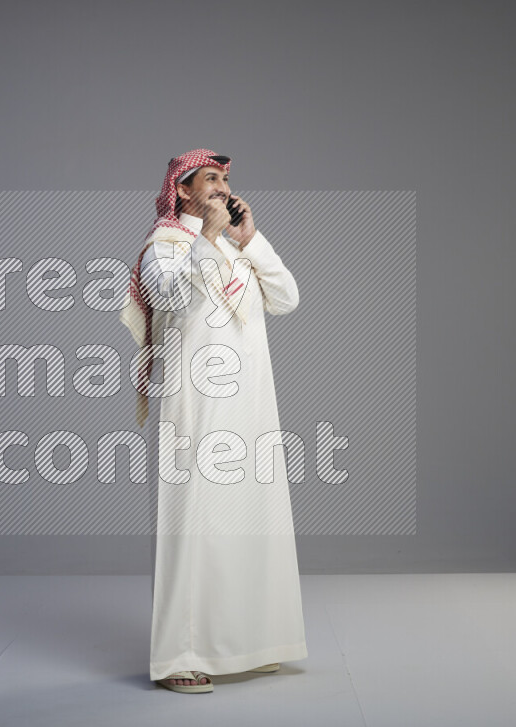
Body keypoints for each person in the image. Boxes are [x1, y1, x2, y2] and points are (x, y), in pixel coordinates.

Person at [119, 149, 308, 694]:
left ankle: (253, 641)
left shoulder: (234, 250)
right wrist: (207, 239)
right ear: (181, 191)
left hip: (251, 405)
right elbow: (171, 294)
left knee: (252, 516)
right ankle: (179, 657)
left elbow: (288, 298)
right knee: (196, 523)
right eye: (212, 179)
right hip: (197, 407)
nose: (224, 188)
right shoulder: (166, 247)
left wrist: (249, 239)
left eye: (227, 180)